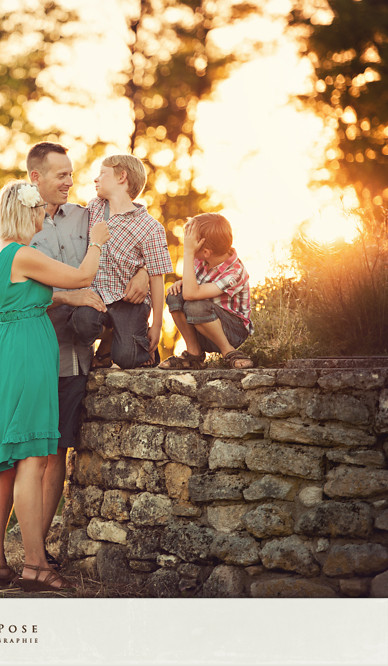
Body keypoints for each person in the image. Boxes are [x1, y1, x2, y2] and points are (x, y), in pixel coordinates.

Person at [0, 179, 110, 593]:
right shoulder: (23, 253)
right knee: (34, 459)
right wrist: (98, 241)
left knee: (3, 461)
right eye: (38, 213)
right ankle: (35, 564)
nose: (42, 219)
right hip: (28, 354)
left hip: (2, 351)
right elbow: (83, 275)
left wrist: (65, 300)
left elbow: (28, 296)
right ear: (28, 213)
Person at [26, 142, 149, 570]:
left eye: (72, 173)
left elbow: (137, 217)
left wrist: (141, 271)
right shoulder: (16, 225)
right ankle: (8, 552)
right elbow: (12, 285)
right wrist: (68, 294)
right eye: (61, 174)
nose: (70, 181)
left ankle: (36, 555)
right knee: (26, 456)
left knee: (57, 452)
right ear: (35, 177)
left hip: (74, 356)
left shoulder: (86, 213)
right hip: (32, 351)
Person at [68, 154, 172, 371]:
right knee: (81, 324)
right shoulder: (95, 208)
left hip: (129, 301)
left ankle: (132, 345)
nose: (95, 179)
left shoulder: (150, 227)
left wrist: (157, 325)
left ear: (122, 177)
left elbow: (157, 277)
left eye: (102, 174)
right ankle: (112, 334)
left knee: (127, 358)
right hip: (97, 295)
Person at [157, 213, 254, 369]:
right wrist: (181, 283)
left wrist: (187, 252)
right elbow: (191, 288)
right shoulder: (202, 259)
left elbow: (192, 294)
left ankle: (228, 351)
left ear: (206, 252)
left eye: (191, 244)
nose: (187, 246)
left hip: (232, 331)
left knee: (194, 305)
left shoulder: (235, 273)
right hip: (202, 325)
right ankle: (194, 353)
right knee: (174, 296)